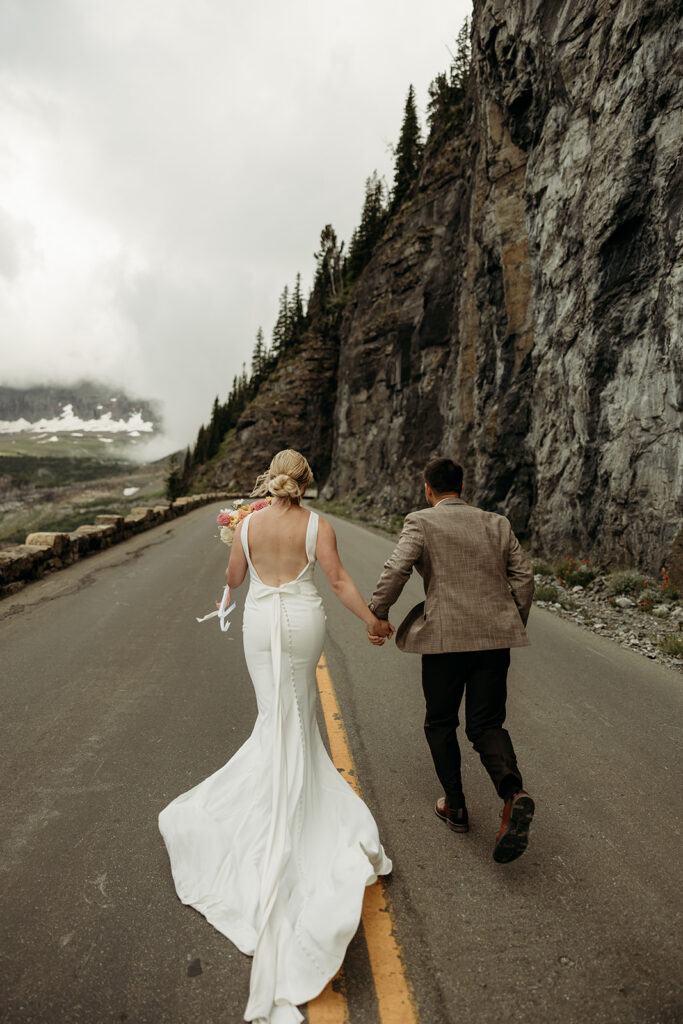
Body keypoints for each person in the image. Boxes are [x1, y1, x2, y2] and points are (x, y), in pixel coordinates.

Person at [159, 449, 392, 1024]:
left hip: (261, 622)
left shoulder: (247, 523)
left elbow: (234, 581)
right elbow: (336, 580)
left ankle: (265, 804)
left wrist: (235, 540)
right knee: (298, 711)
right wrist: (371, 620)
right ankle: (297, 800)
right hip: (304, 619)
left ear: (271, 479)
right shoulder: (319, 526)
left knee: (275, 713)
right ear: (308, 483)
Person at [367, 456, 535, 864]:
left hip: (444, 640)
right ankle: (513, 794)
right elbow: (525, 578)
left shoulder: (421, 521)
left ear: (429, 489)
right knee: (487, 724)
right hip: (494, 640)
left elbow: (398, 568)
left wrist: (378, 611)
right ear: (462, 487)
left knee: (441, 720)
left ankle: (456, 805)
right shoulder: (497, 523)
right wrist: (508, 618)